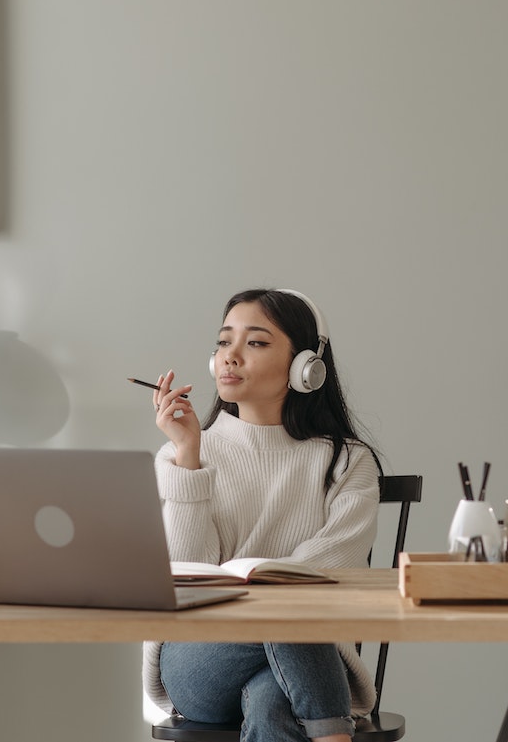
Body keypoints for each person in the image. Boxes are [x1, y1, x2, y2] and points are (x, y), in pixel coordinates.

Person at [142, 288, 383, 742]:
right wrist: (190, 457)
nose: (229, 356)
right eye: (223, 341)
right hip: (200, 660)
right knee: (289, 609)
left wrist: (265, 591)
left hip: (307, 656)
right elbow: (184, 573)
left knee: (273, 695)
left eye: (255, 342)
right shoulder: (182, 456)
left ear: (305, 367)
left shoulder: (348, 462)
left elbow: (334, 569)